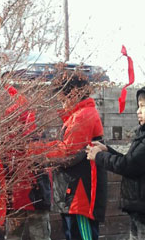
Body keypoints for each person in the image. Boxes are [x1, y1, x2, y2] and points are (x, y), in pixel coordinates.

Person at [86, 83, 145, 240]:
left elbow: (129, 166)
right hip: (143, 207)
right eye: (138, 106)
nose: (138, 111)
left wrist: (99, 157)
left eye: (143, 106)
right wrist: (107, 150)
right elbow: (133, 160)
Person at [28, 74, 107, 240]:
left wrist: (35, 151)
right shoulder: (78, 115)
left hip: (80, 191)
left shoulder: (82, 116)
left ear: (74, 94)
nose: (61, 102)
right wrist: (38, 149)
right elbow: (65, 146)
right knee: (74, 233)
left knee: (81, 234)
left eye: (63, 97)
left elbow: (67, 151)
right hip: (74, 189)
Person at [0, 83, 52, 240]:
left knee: (22, 236)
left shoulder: (31, 140)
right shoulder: (35, 136)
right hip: (24, 198)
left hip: (31, 198)